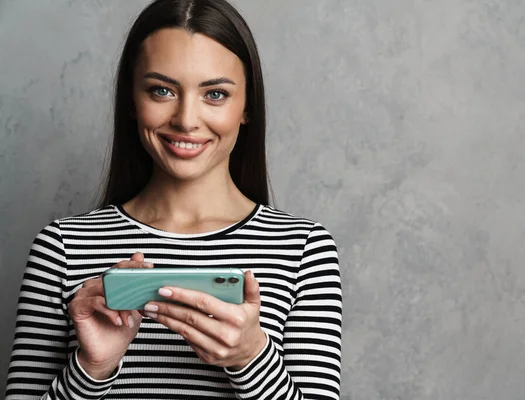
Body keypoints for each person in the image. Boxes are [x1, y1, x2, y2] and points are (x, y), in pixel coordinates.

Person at [4, 0, 342, 398]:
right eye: (161, 90)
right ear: (131, 99)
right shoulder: (61, 247)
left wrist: (251, 356)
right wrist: (91, 368)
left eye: (215, 94)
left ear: (246, 106)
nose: (185, 119)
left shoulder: (303, 249)